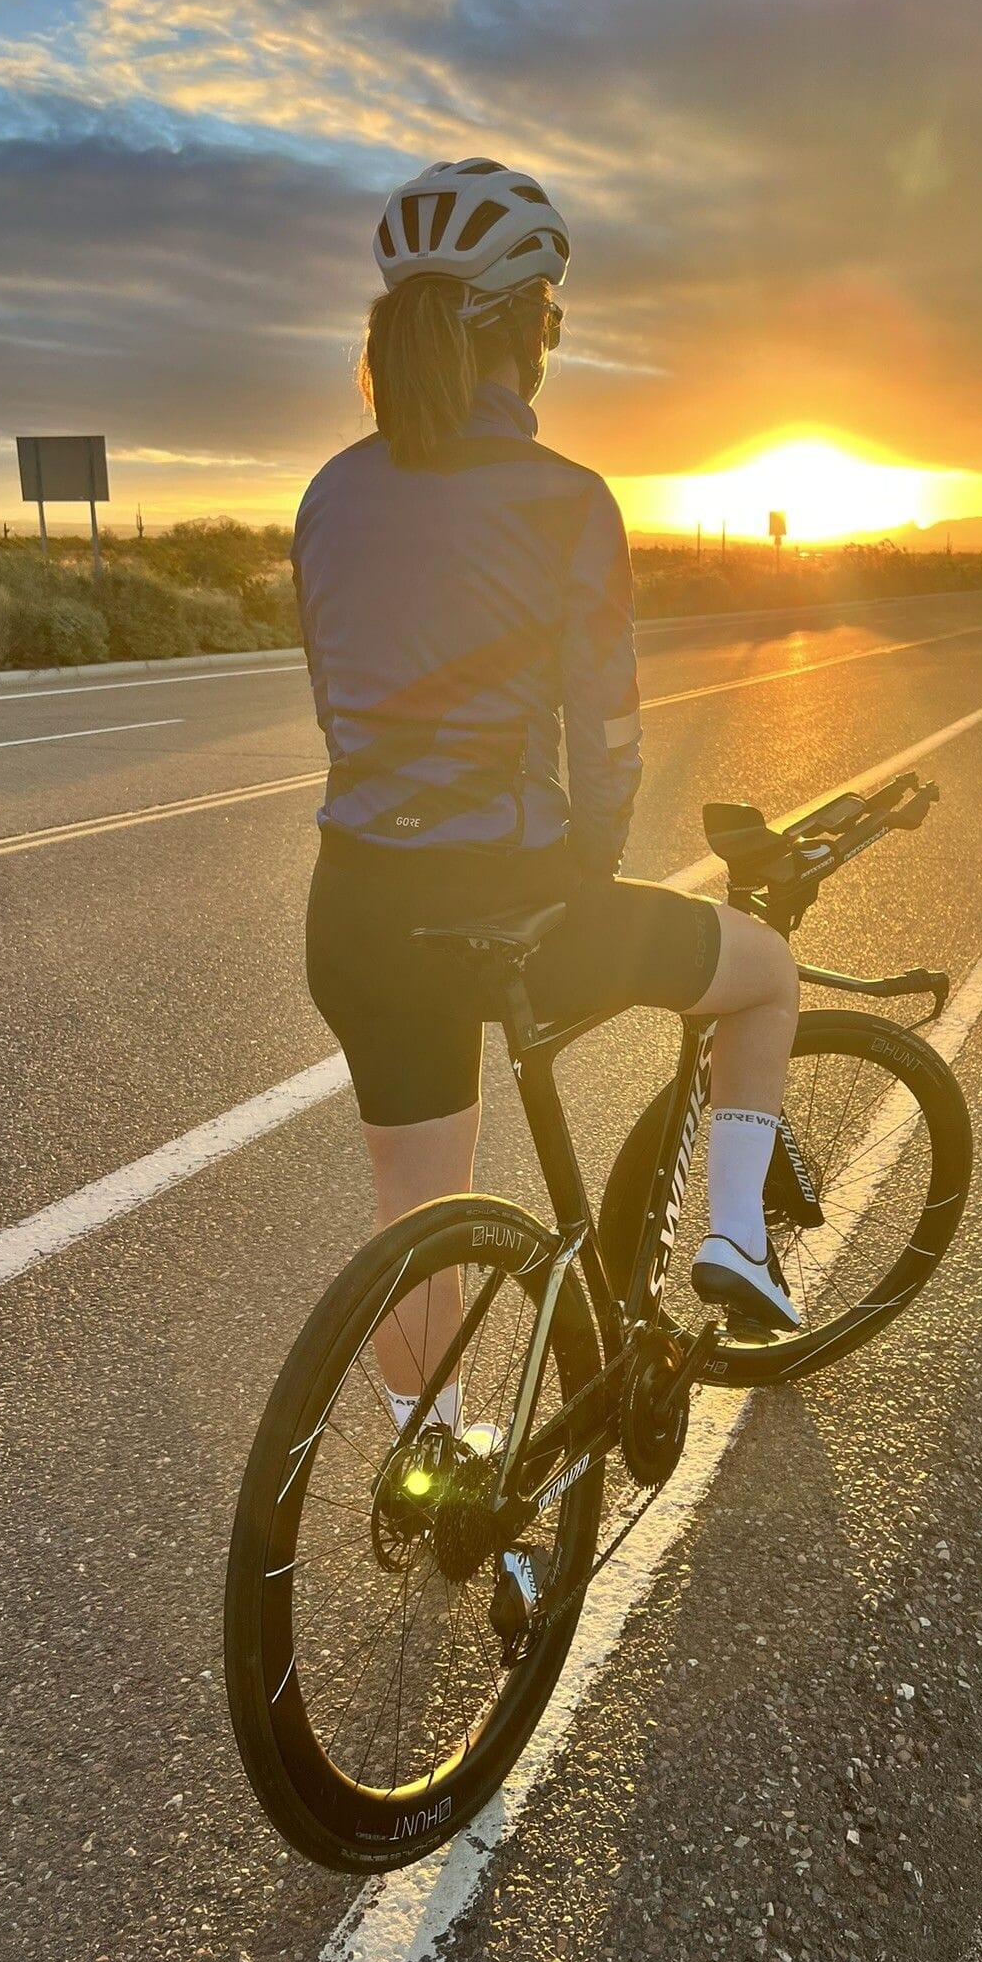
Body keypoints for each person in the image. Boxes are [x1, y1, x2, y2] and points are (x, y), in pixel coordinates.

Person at [293, 158, 803, 1435]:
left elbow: (339, 702)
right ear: (526, 328)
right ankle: (735, 1239)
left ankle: (442, 1469)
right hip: (507, 900)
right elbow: (608, 734)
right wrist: (587, 869)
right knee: (767, 971)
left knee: (421, 1220)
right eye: (555, 322)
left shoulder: (327, 493)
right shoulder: (567, 501)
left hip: (354, 904)